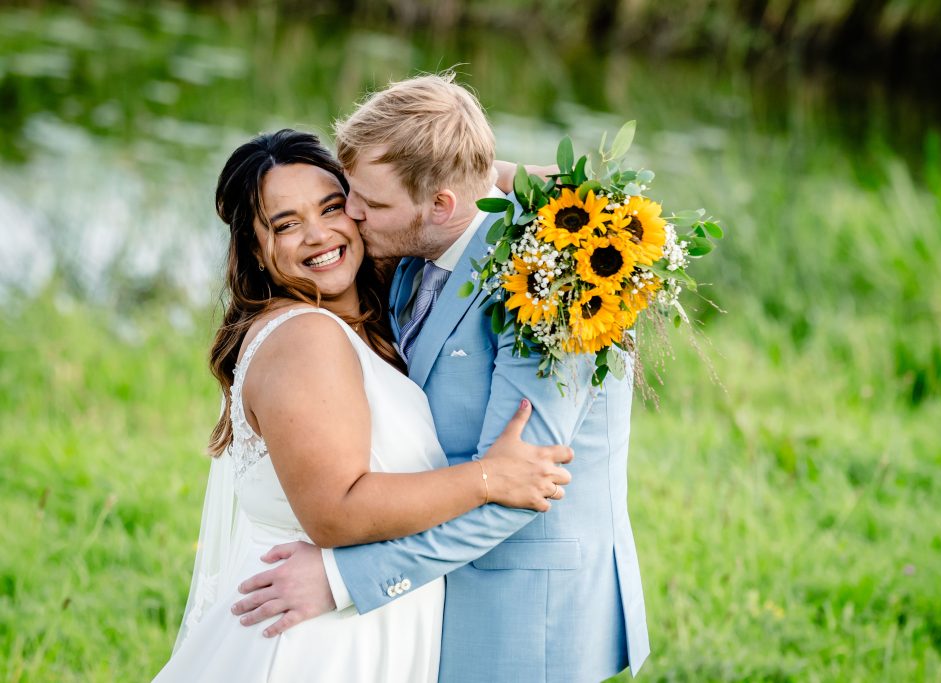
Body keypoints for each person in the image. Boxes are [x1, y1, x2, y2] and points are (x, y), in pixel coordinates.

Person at [231, 74, 650, 682]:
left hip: (525, 608)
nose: (348, 217)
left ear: (442, 206)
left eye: (367, 204)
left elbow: (522, 488)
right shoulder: (408, 246)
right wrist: (459, 165)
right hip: (432, 596)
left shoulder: (557, 279)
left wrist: (345, 578)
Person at [153, 129, 573, 682]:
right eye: (285, 224)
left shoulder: (376, 301)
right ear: (256, 250)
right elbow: (336, 511)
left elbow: (571, 194)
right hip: (317, 642)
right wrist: (490, 477)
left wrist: (440, 168)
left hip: (359, 621)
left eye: (332, 206)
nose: (318, 233)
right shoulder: (307, 337)